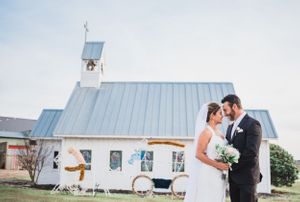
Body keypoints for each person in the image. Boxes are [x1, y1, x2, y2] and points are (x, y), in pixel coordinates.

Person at [184, 102, 229, 202]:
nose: (222, 116)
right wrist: (218, 165)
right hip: (208, 173)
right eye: (219, 113)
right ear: (212, 116)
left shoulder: (220, 133)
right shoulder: (206, 132)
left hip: (219, 174)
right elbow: (198, 154)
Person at [221, 94, 262, 202]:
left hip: (247, 178)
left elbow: (251, 153)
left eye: (226, 110)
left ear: (234, 106)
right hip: (233, 179)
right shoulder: (230, 127)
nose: (224, 114)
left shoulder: (253, 124)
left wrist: (232, 165)